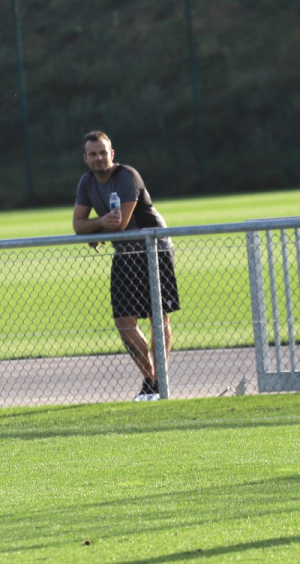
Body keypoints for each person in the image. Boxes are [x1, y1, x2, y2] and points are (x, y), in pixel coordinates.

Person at [72, 130, 180, 401]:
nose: (98, 158)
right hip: (125, 252)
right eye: (92, 154)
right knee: (123, 322)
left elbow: (119, 223)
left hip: (154, 248)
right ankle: (150, 380)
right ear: (85, 158)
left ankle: (159, 381)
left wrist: (95, 229)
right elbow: (77, 225)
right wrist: (98, 228)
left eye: (102, 152)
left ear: (112, 153)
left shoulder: (127, 177)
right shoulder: (86, 182)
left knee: (159, 317)